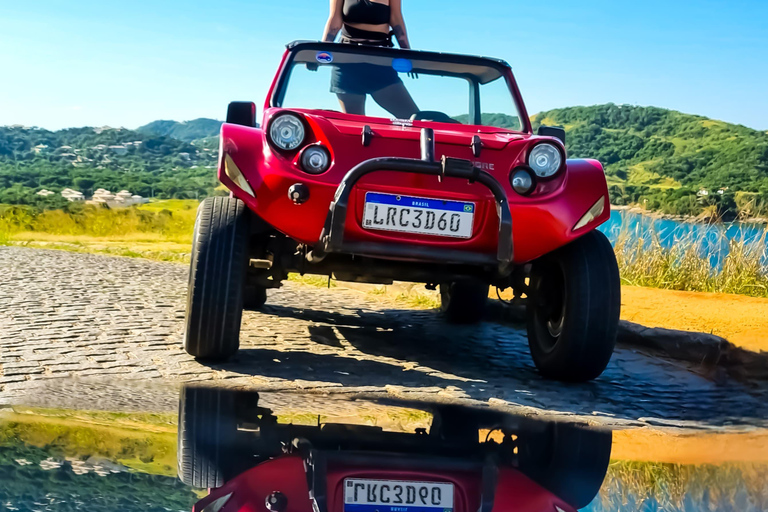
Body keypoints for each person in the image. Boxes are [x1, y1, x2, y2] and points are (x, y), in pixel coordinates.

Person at [322, 0, 419, 118]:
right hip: (347, 64)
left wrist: (408, 53)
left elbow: (396, 20)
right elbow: (334, 22)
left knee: (413, 118)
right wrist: (320, 52)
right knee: (355, 125)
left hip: (380, 63)